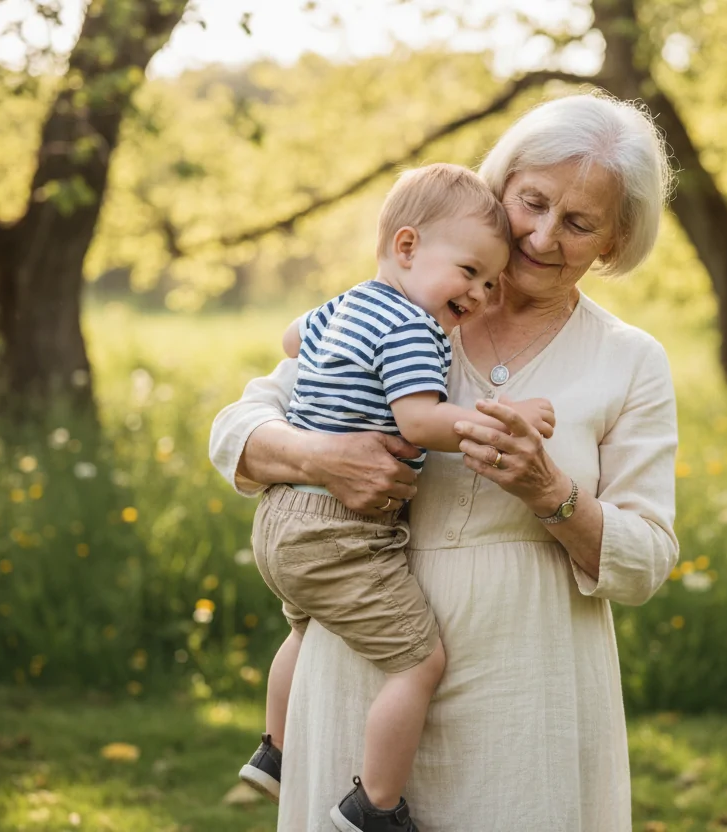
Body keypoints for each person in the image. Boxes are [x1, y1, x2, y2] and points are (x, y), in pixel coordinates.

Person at [211, 91, 679, 831]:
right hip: (363, 658)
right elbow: (235, 430)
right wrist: (323, 457)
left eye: (579, 222)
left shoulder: (630, 361)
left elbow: (646, 559)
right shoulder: (408, 301)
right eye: (531, 201)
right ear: (500, 186)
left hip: (530, 682)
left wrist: (551, 492)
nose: (540, 235)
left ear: (615, 244)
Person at [236, 163, 557, 832]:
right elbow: (419, 421)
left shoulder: (349, 302)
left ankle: (276, 751)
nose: (478, 292)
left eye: (491, 282)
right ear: (407, 247)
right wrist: (502, 415)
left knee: (307, 627)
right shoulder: (413, 328)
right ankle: (374, 805)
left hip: (282, 517)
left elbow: (291, 340)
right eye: (469, 272)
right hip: (340, 529)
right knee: (419, 663)